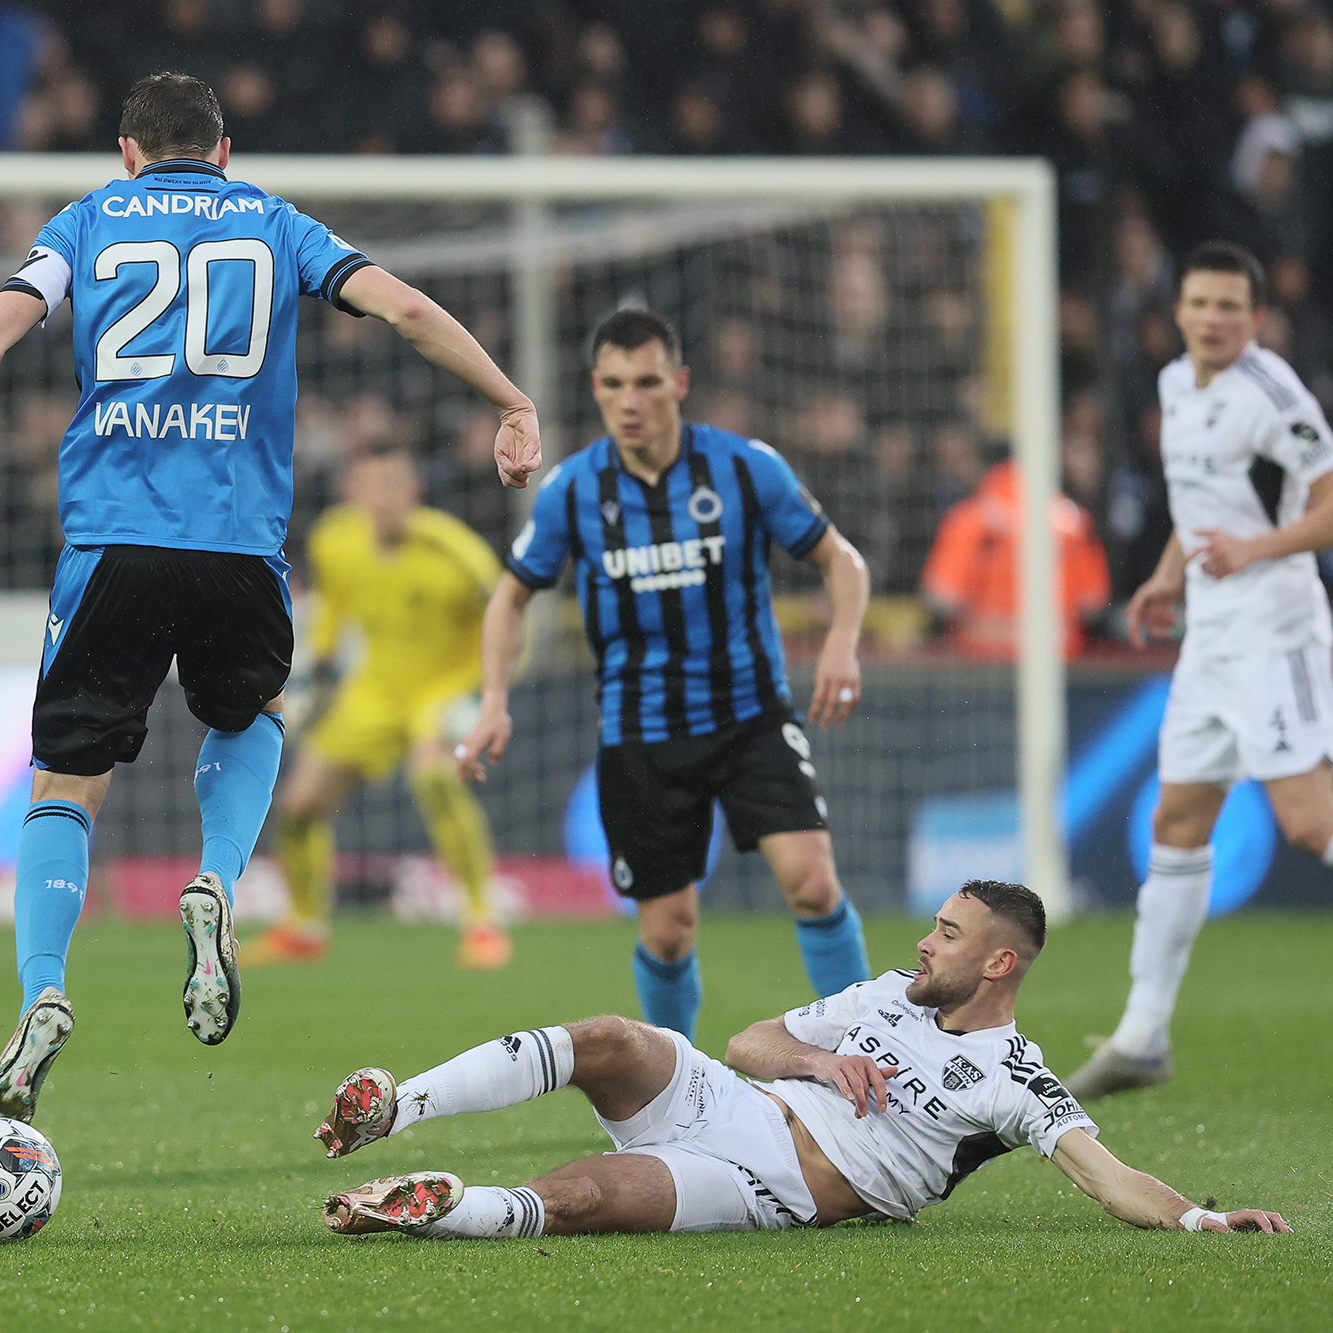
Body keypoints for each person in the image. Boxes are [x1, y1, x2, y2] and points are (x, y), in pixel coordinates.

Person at [0, 72, 541, 1123]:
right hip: (237, 544)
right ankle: (218, 883)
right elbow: (405, 308)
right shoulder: (274, 225)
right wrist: (508, 399)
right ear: (224, 152)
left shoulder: (87, 221)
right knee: (252, 715)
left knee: (66, 779)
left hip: (110, 541)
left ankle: (43, 988)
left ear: (126, 152)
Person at [312, 881, 1292, 1239]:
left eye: (945, 935)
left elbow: (1104, 1173)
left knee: (584, 1196)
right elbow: (747, 1043)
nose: (923, 944)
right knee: (610, 1035)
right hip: (735, 1098)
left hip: (782, 1182)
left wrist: (1201, 1215)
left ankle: (435, 1205)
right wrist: (819, 1066)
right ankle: (394, 1107)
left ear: (997, 963)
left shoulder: (1013, 1074)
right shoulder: (880, 992)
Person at [456, 308, 872, 1044]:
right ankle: (679, 1086)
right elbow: (510, 596)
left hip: (751, 716)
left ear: (678, 384)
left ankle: (874, 1048)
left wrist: (841, 642)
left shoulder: (745, 467)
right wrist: (493, 701)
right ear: (595, 388)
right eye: (614, 385)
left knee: (812, 881)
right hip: (641, 733)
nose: (630, 401)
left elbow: (841, 559)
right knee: (671, 931)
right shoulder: (574, 490)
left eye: (647, 382)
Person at [1068, 241, 1333, 1100]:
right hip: (1210, 640)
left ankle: (1144, 1031)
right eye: (1201, 303)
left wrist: (1259, 547)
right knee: (1179, 818)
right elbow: (1203, 506)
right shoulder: (1178, 384)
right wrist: (1168, 574)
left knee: (1306, 820)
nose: (1214, 319)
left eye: (1231, 307)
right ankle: (1143, 1033)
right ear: (1177, 310)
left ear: (1256, 320)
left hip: (1276, 632)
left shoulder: (1272, 394)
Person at [241, 441, 511, 972]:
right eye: (373, 487)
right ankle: (303, 926)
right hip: (375, 692)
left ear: (416, 490)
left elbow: (509, 620)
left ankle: (483, 923)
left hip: (444, 688)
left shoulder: (457, 553)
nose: (385, 500)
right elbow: (334, 612)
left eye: (395, 486)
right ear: (353, 493)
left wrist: (481, 696)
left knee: (434, 779)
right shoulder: (335, 540)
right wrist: (317, 680)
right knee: (296, 807)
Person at [920, 456, 1111, 660]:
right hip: (1054, 655)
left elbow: (942, 598)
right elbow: (1093, 603)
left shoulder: (969, 518)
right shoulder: (1072, 519)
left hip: (983, 655)